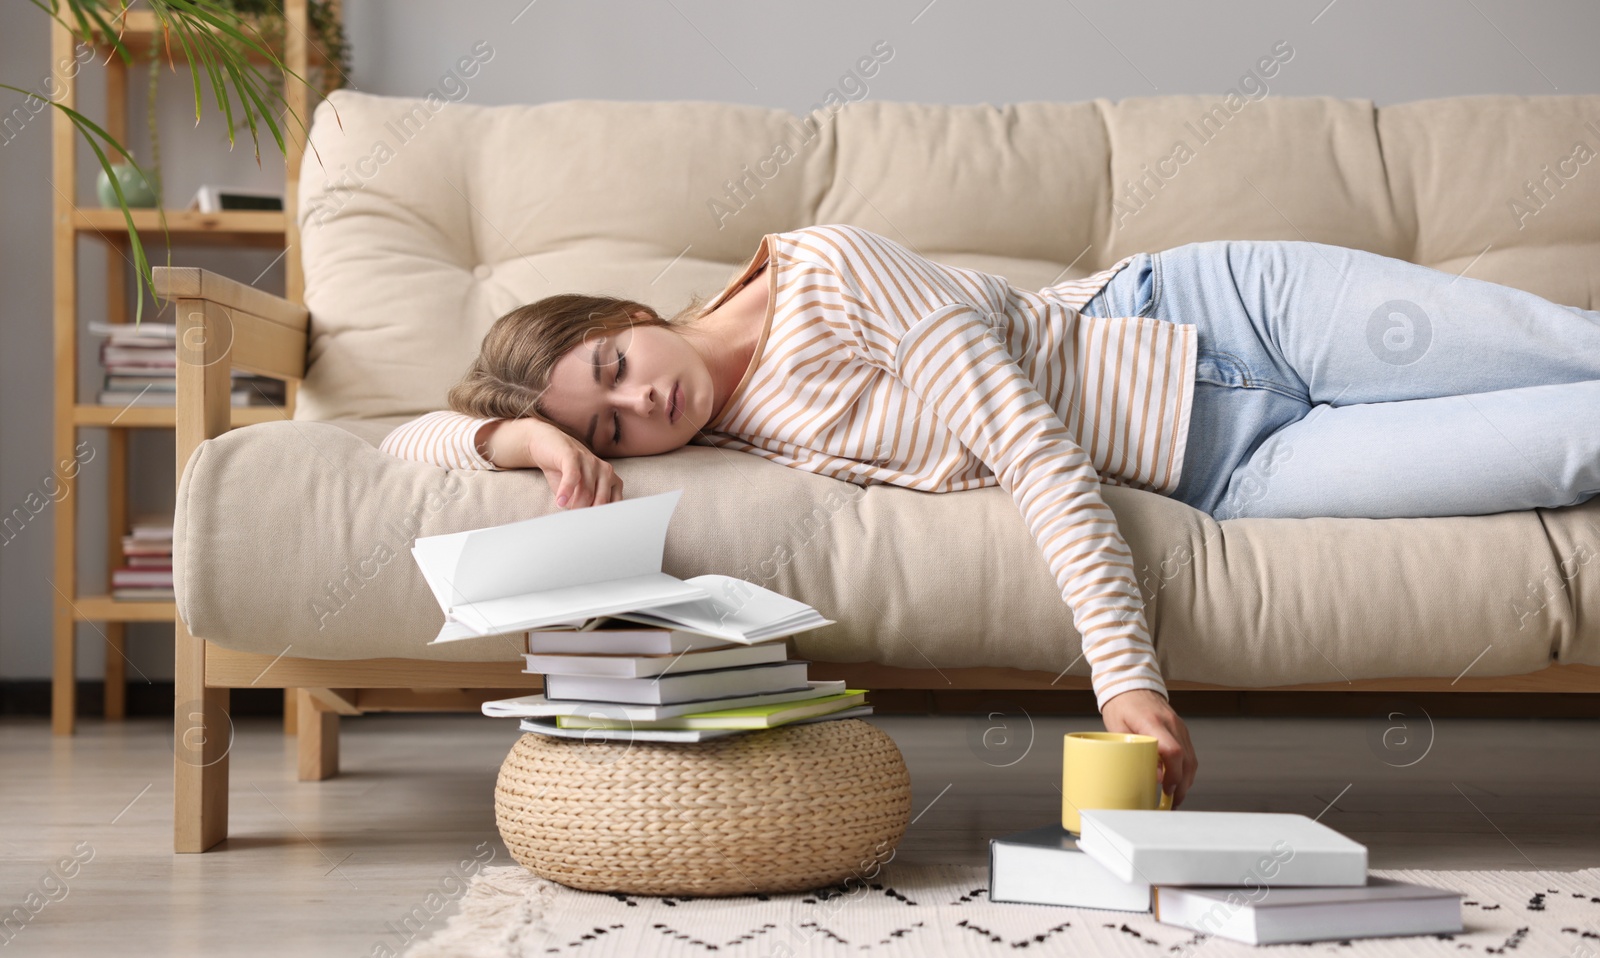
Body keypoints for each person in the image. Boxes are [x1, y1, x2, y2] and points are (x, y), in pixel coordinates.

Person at [382, 224, 1600, 808]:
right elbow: (402, 440)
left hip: (1238, 314)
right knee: (1570, 444)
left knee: (1575, 352)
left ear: (624, 311)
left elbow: (1034, 449)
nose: (640, 401)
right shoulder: (727, 431)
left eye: (610, 364)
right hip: (1243, 469)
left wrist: (1126, 681)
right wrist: (522, 434)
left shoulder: (830, 269)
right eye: (610, 428)